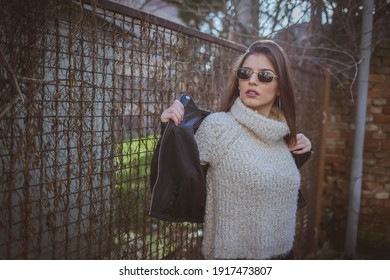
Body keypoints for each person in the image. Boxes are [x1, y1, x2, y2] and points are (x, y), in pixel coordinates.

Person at [160, 40, 312, 260]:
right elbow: (180, 174)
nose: (252, 80)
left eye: (265, 76)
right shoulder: (219, 127)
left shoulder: (282, 135)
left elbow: (269, 179)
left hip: (284, 255)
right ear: (239, 81)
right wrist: (169, 131)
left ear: (280, 88)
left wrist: (303, 152)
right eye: (245, 73)